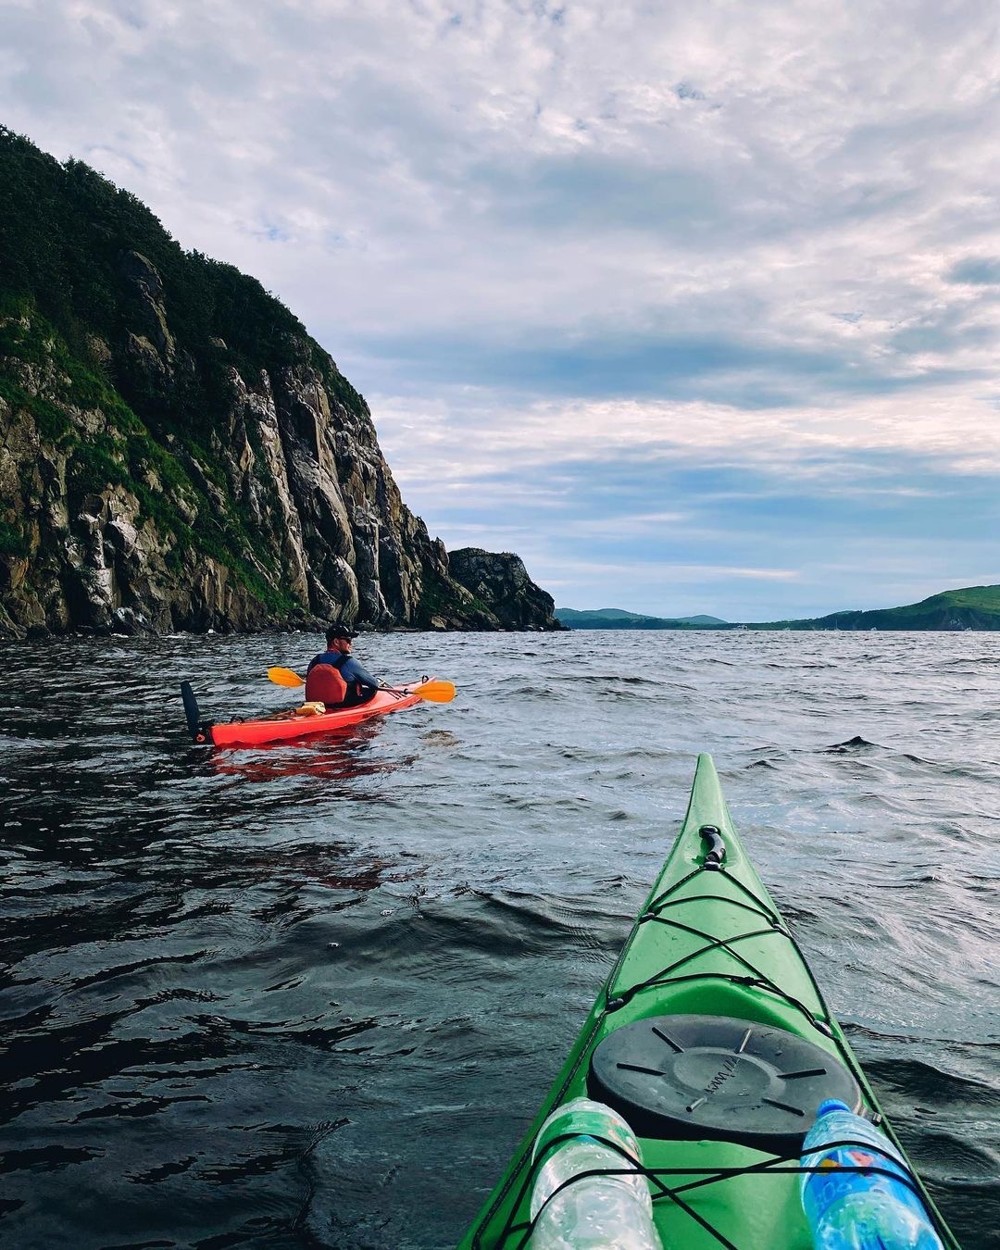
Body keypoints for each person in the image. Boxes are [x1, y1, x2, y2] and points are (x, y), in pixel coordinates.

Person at [305, 621, 381, 708]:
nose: (351, 644)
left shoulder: (314, 661)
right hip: (344, 706)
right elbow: (374, 684)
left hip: (318, 706)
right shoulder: (349, 662)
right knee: (371, 691)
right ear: (336, 642)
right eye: (348, 640)